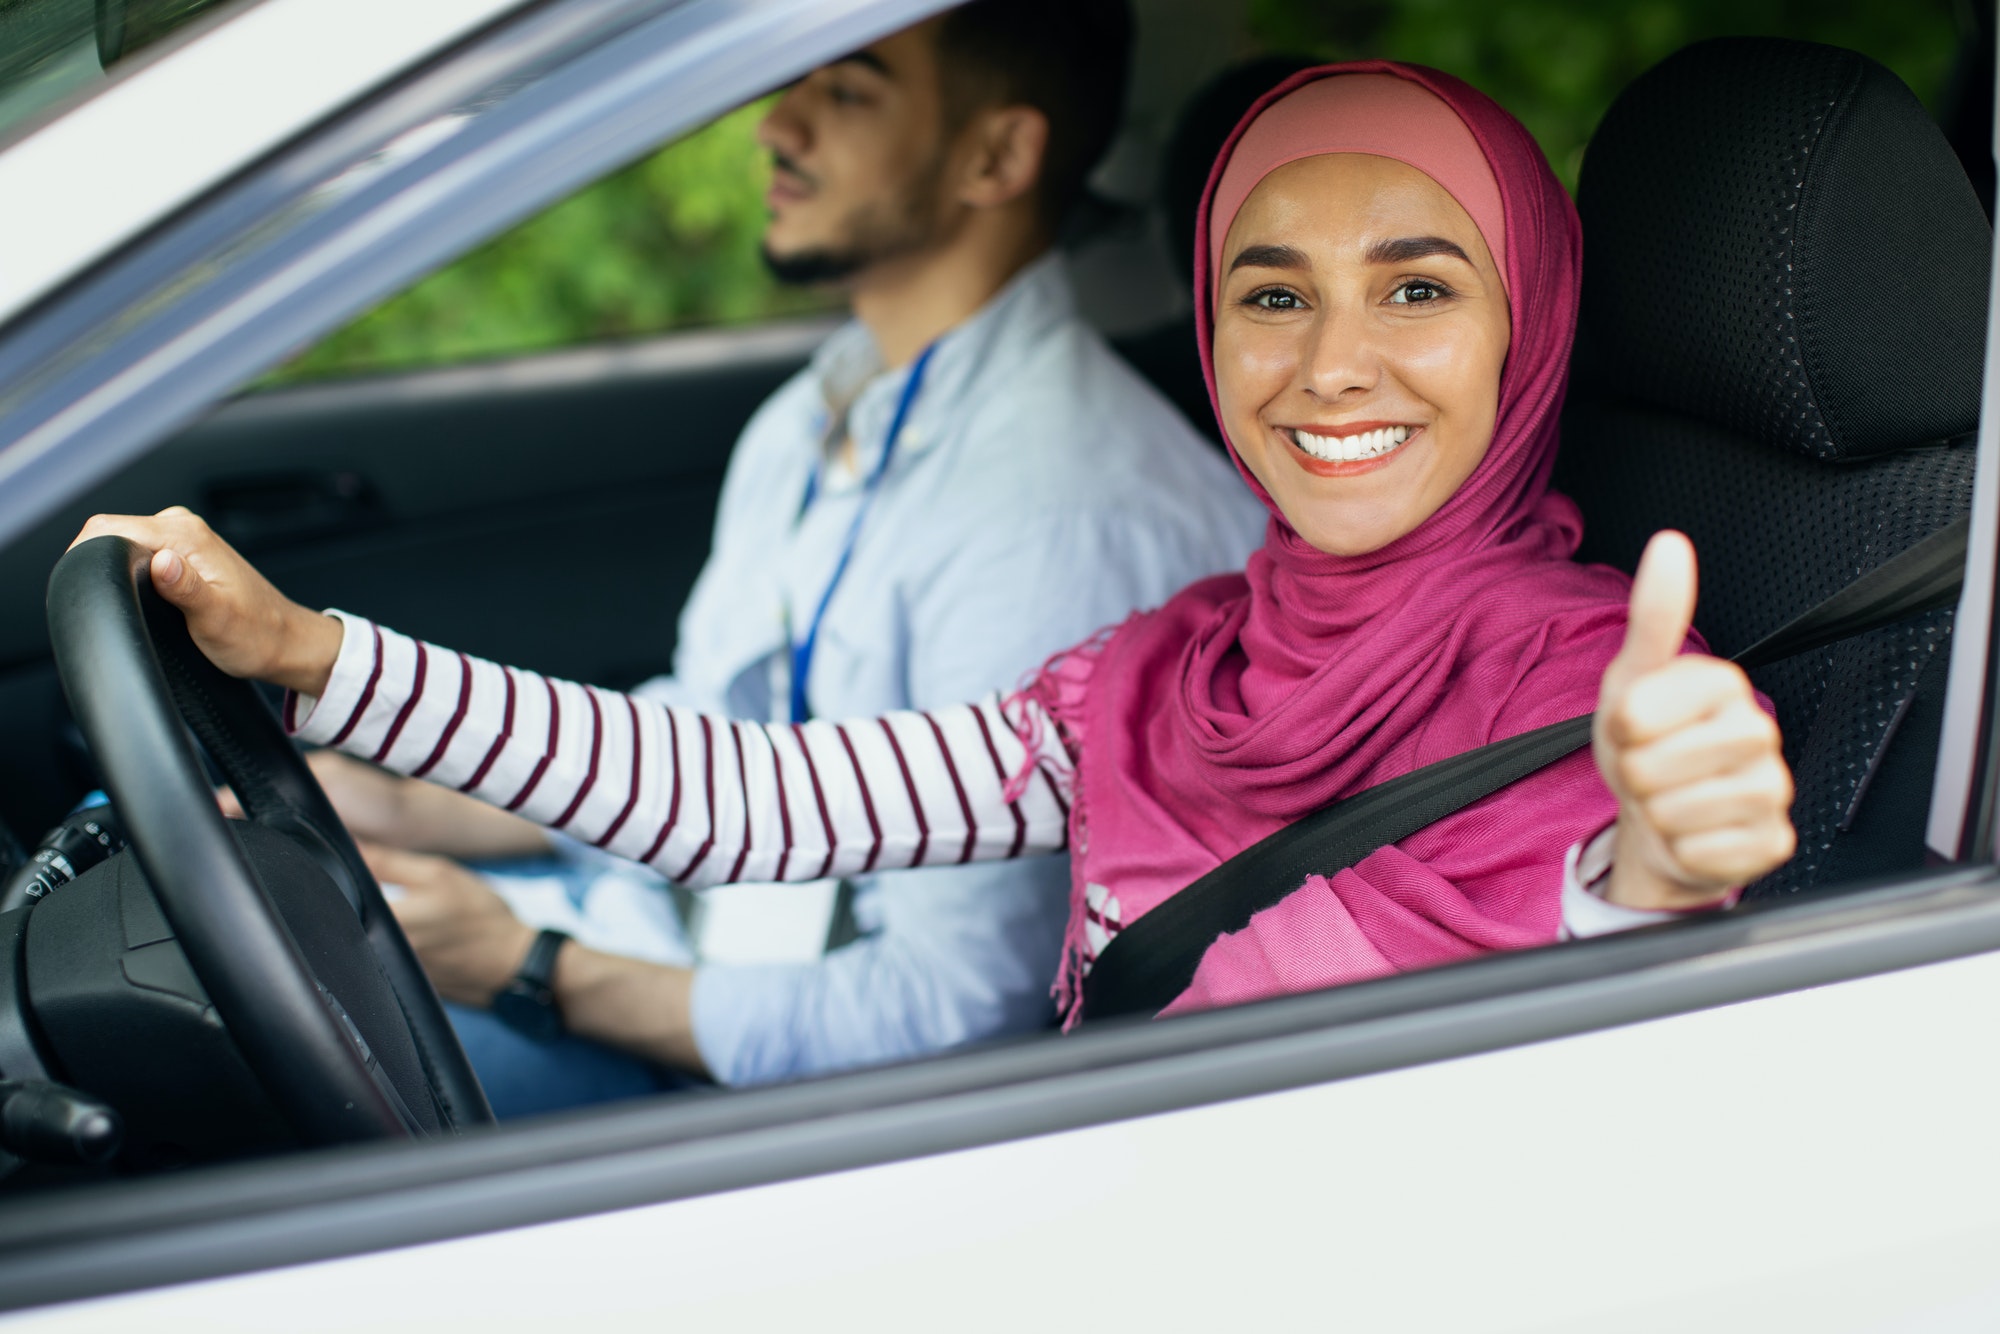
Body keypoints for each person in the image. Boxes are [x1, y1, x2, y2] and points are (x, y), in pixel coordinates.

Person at [82, 61, 1794, 1036]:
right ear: (1209, 325)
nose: (1331, 361)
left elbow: (1601, 1041)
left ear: (1532, 326)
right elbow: (757, 797)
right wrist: (318, 660)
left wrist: (1653, 874)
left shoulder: (1609, 687)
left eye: (1418, 286)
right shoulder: (1168, 666)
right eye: (1272, 294)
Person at [280, 0, 1265, 1111]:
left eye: (846, 90)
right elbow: (717, 733)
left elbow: (954, 1010)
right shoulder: (815, 414)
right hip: (660, 930)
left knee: (275, 1071)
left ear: (996, 154)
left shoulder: (1061, 514)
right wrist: (410, 805)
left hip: (778, 1088)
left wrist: (529, 969)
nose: (773, 125)